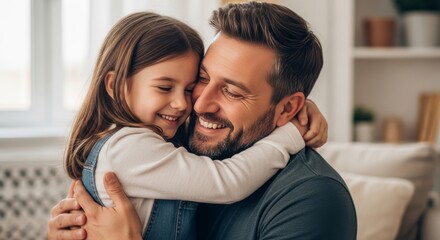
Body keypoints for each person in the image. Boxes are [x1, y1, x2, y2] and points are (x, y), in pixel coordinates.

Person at [48, 2, 357, 239]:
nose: (196, 103)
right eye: (203, 79)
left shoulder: (311, 199)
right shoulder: (180, 143)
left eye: (232, 92)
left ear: (289, 107)